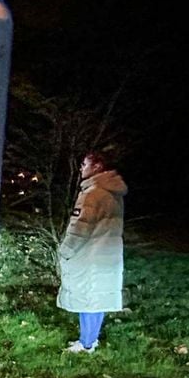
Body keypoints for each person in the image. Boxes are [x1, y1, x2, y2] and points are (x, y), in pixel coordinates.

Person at [57, 151, 127, 353]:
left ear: (97, 167)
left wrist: (65, 251)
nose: (81, 168)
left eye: (84, 164)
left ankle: (87, 343)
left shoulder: (92, 194)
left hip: (90, 256)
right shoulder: (112, 192)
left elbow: (79, 228)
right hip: (107, 255)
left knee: (87, 299)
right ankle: (90, 339)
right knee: (97, 299)